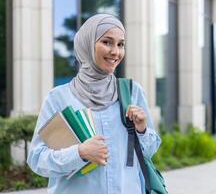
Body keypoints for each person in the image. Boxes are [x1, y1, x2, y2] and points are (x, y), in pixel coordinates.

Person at [27, 14, 161, 194]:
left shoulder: (132, 92)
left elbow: (148, 152)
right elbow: (36, 159)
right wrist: (79, 153)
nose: (115, 52)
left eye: (120, 44)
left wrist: (142, 130)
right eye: (107, 42)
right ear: (88, 45)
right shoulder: (58, 98)